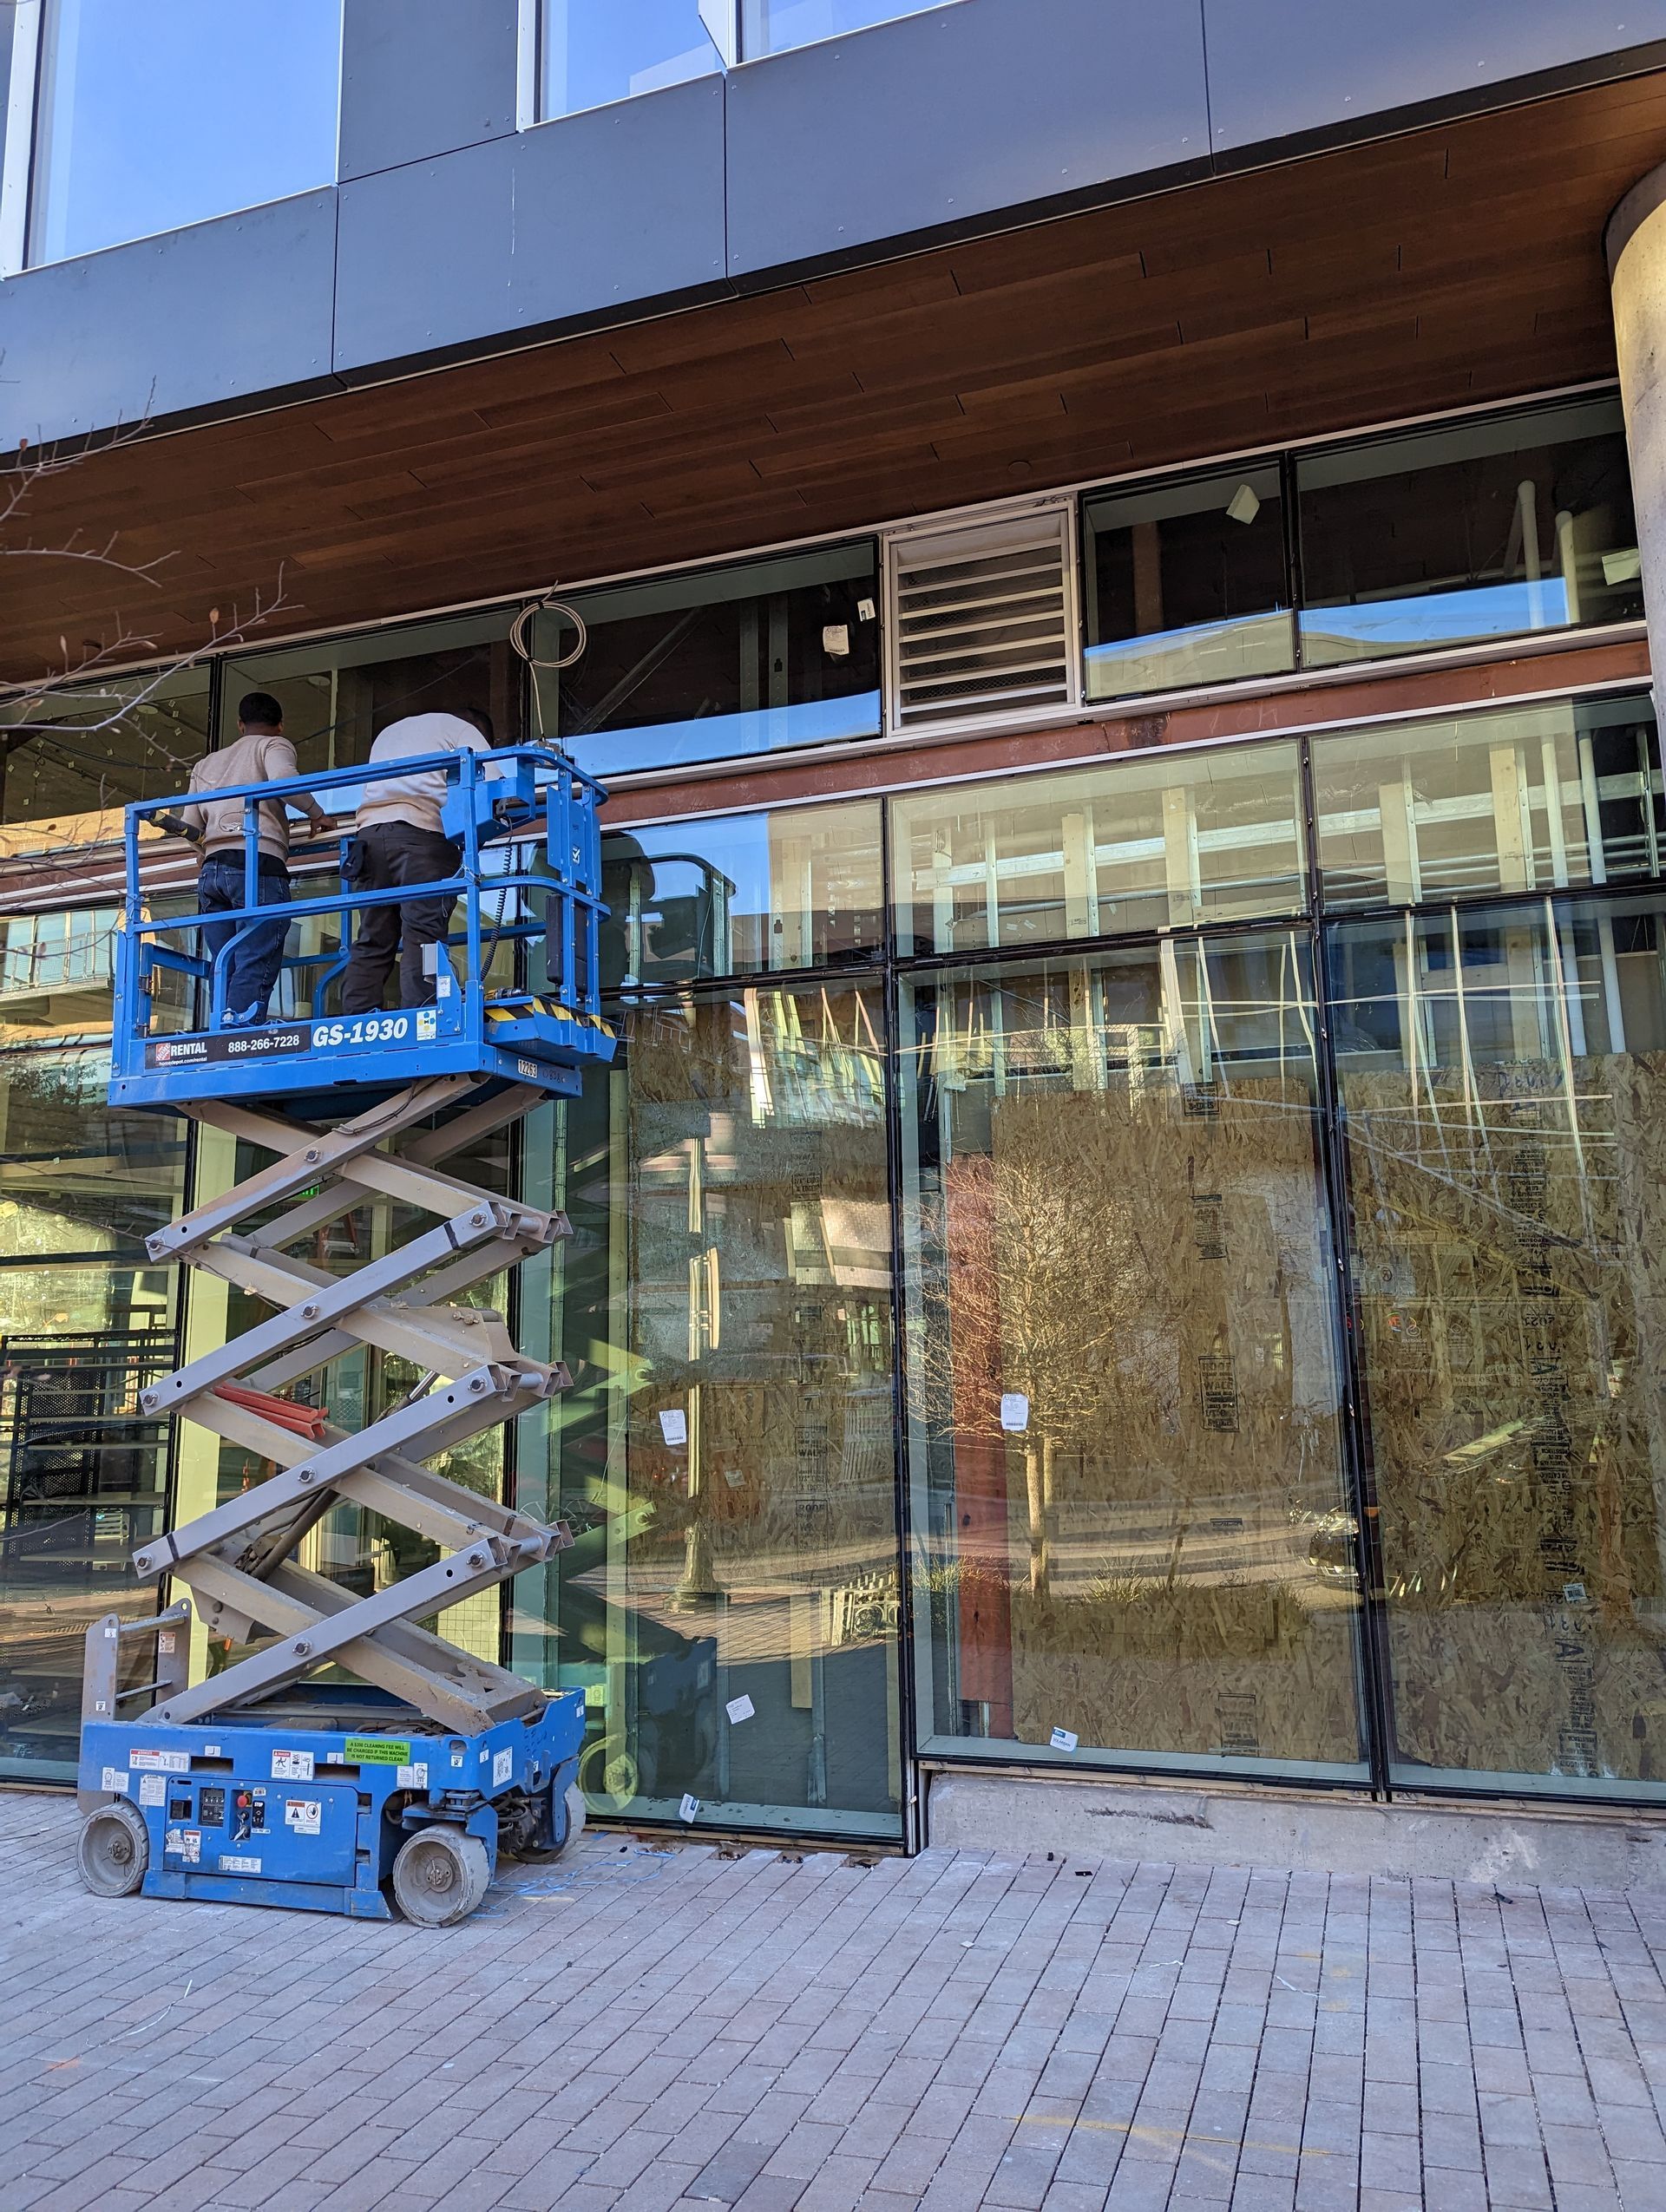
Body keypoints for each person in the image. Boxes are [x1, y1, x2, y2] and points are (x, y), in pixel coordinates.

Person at [179, 691, 331, 1025]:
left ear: (240, 724)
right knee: (255, 953)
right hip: (256, 862)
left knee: (226, 960)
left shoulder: (206, 765)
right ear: (279, 725)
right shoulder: (273, 745)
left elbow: (189, 826)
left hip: (213, 869)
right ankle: (240, 1030)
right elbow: (283, 781)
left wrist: (204, 854)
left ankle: (222, 1025)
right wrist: (317, 813)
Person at [339, 709, 493, 1015]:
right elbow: (492, 784)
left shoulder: (389, 731)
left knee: (373, 936)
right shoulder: (463, 729)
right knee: (424, 937)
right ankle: (423, 1016)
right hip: (420, 836)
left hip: (368, 838)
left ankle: (356, 1018)